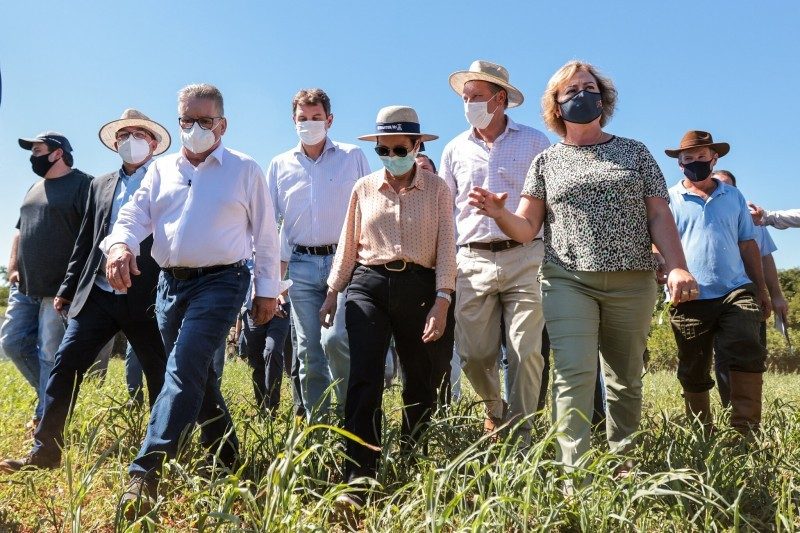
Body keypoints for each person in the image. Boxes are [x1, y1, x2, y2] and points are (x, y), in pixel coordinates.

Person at [471, 60, 697, 470]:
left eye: (589, 87)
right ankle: (575, 473)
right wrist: (497, 214)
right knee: (572, 375)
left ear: (603, 97)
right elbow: (526, 228)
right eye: (571, 91)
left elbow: (660, 217)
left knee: (624, 379)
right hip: (568, 280)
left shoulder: (635, 152)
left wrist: (677, 266)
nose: (581, 95)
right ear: (556, 105)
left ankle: (624, 463)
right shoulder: (546, 162)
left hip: (632, 280)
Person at [100, 84, 281, 517]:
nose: (195, 129)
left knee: (183, 366)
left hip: (223, 281)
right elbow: (132, 216)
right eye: (187, 121)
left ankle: (146, 471)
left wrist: (268, 290)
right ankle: (227, 456)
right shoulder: (159, 170)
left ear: (222, 124)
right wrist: (120, 246)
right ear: (178, 122)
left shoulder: (244, 169)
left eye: (204, 121)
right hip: (170, 284)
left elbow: (266, 234)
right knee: (196, 373)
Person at [0, 110, 171, 473]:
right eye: (123, 134)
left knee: (159, 373)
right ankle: (44, 452)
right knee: (65, 365)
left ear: (153, 143)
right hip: (99, 293)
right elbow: (86, 241)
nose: (130, 140)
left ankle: (161, 456)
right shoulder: (101, 185)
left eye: (138, 133)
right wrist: (67, 288)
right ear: (114, 143)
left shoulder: (168, 179)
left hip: (148, 297)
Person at [320, 105, 456, 509]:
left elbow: (447, 247)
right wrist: (332, 291)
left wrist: (443, 299)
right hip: (369, 284)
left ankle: (413, 459)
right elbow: (348, 243)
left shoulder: (437, 190)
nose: (393, 155)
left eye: (401, 148)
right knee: (364, 376)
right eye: (384, 149)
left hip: (419, 286)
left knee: (421, 376)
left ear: (417, 146)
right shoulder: (363, 188)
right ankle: (358, 476)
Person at [440, 60, 549, 438]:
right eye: (465, 98)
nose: (468, 104)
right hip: (471, 258)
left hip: (525, 256)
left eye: (476, 97)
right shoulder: (454, 150)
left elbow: (547, 206)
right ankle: (494, 406)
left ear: (499, 99)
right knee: (473, 353)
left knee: (525, 351)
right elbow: (445, 212)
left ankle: (523, 435)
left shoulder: (536, 143)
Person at [267, 88, 370, 420]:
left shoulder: (352, 156)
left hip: (346, 261)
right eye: (302, 118)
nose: (309, 124)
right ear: (293, 121)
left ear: (329, 120)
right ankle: (318, 428)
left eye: (316, 118)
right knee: (307, 351)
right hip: (299, 266)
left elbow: (368, 212)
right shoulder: (279, 165)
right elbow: (272, 228)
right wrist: (274, 280)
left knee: (336, 340)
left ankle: (348, 415)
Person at [665, 131, 770, 433]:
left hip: (735, 288)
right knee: (693, 364)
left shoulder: (732, 195)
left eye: (701, 157)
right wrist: (665, 268)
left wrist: (760, 287)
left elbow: (747, 243)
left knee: (746, 344)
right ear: (680, 163)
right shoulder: (669, 199)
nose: (695, 162)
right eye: (688, 159)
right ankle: (702, 432)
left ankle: (745, 430)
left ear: (714, 159)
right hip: (689, 295)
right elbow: (657, 242)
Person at [0, 132, 91, 432]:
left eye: (38, 149)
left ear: (57, 153)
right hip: (24, 285)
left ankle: (46, 418)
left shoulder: (84, 185)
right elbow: (18, 230)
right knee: (12, 343)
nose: (32, 156)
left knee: (51, 354)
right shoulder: (34, 188)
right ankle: (51, 400)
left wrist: (75, 283)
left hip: (58, 289)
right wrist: (13, 267)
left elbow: (91, 235)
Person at [711, 170, 788, 406]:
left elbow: (765, 258)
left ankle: (747, 414)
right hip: (713, 295)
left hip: (750, 296)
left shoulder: (753, 220)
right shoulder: (704, 215)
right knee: (723, 354)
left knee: (751, 352)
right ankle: (730, 408)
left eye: (726, 186)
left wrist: (775, 295)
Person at [240, 263, 292, 413]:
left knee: (272, 350)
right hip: (252, 306)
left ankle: (272, 408)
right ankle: (262, 406)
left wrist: (277, 294)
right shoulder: (245, 243)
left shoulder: (284, 240)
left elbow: (291, 268)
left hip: (281, 305)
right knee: (257, 360)